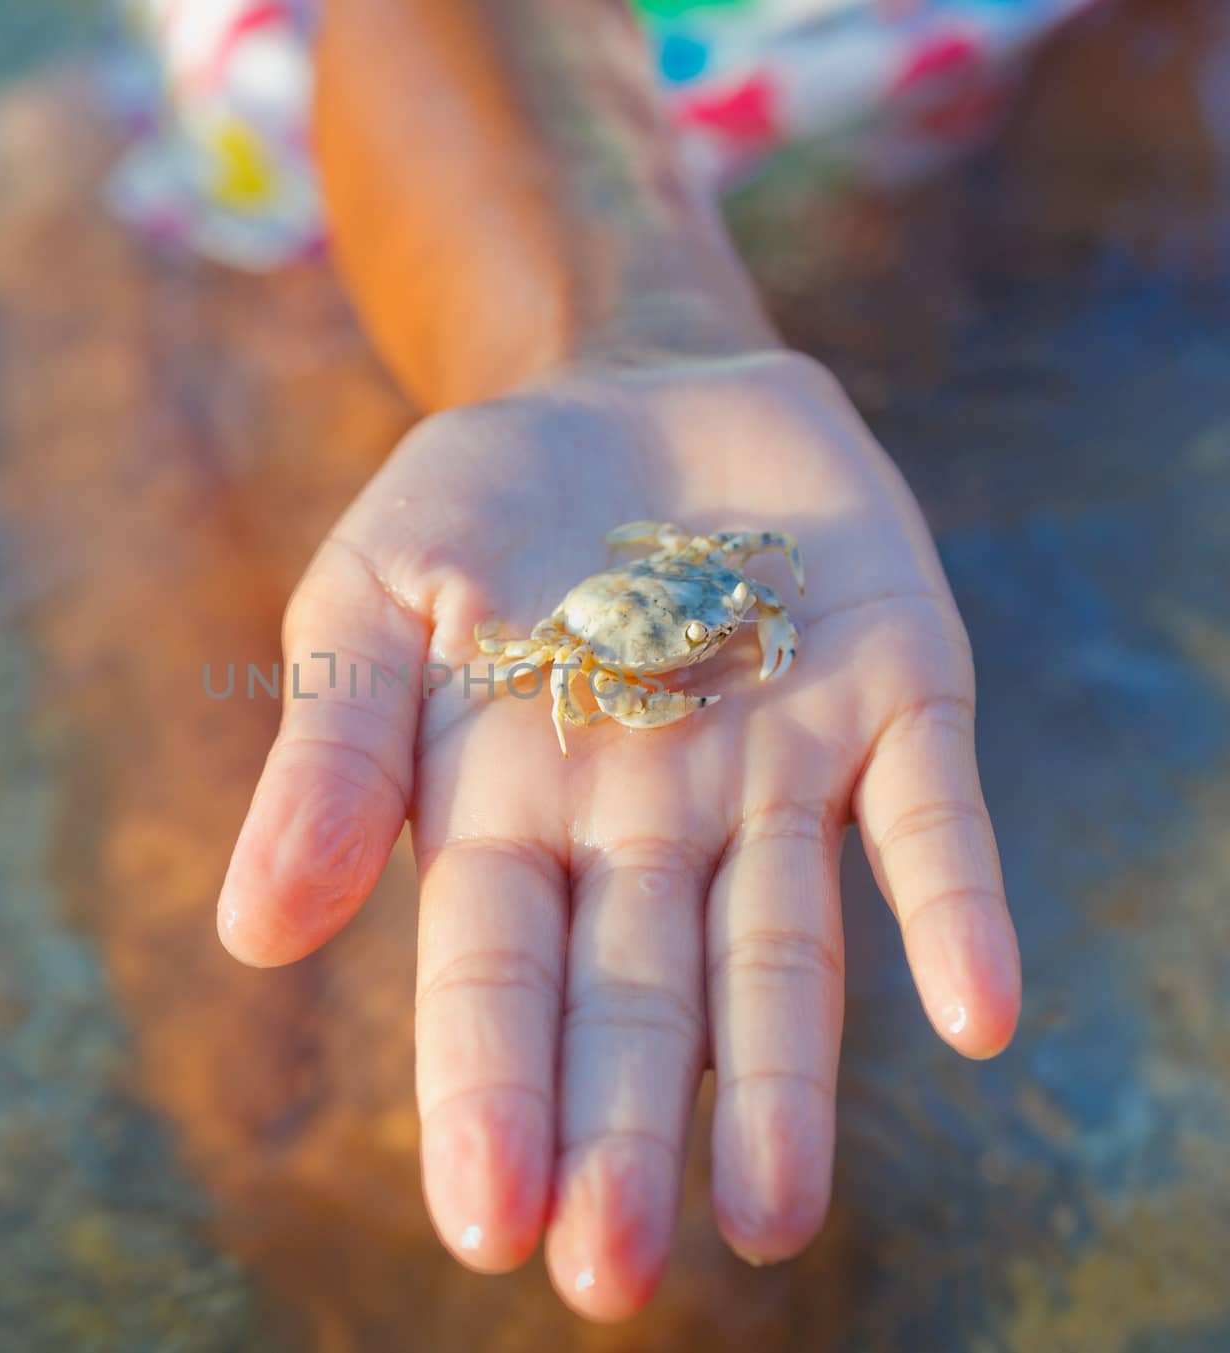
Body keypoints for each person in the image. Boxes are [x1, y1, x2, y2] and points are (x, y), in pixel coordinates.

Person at [120, 0, 1078, 1324]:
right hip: (391, 115)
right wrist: (620, 341)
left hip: (912, 62)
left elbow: (749, 579)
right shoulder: (591, 650)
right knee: (308, 1129)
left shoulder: (719, 580)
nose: (719, 648)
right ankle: (70, 198)